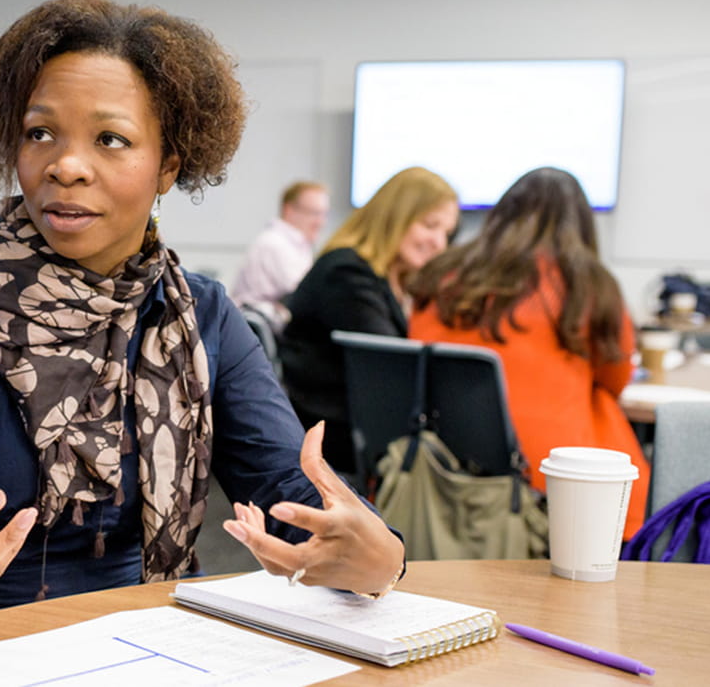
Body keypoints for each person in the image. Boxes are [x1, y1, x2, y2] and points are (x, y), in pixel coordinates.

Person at [0, 0, 405, 631]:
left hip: (152, 641)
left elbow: (293, 498)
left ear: (168, 165)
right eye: (39, 133)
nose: (66, 165)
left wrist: (381, 554)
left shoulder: (203, 316)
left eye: (111, 139)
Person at [408, 167, 648, 539]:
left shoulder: (442, 274)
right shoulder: (590, 285)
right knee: (602, 407)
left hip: (439, 466)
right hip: (545, 480)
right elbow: (615, 379)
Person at [279, 167, 458, 474]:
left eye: (446, 233)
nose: (439, 243)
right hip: (334, 442)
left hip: (347, 432)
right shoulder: (347, 274)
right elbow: (392, 368)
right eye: (430, 226)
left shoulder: (378, 277)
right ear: (395, 216)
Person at [228, 180, 330, 329]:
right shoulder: (275, 244)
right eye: (314, 213)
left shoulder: (296, 244)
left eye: (324, 214)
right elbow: (305, 295)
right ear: (289, 210)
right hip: (265, 333)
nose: (321, 222)